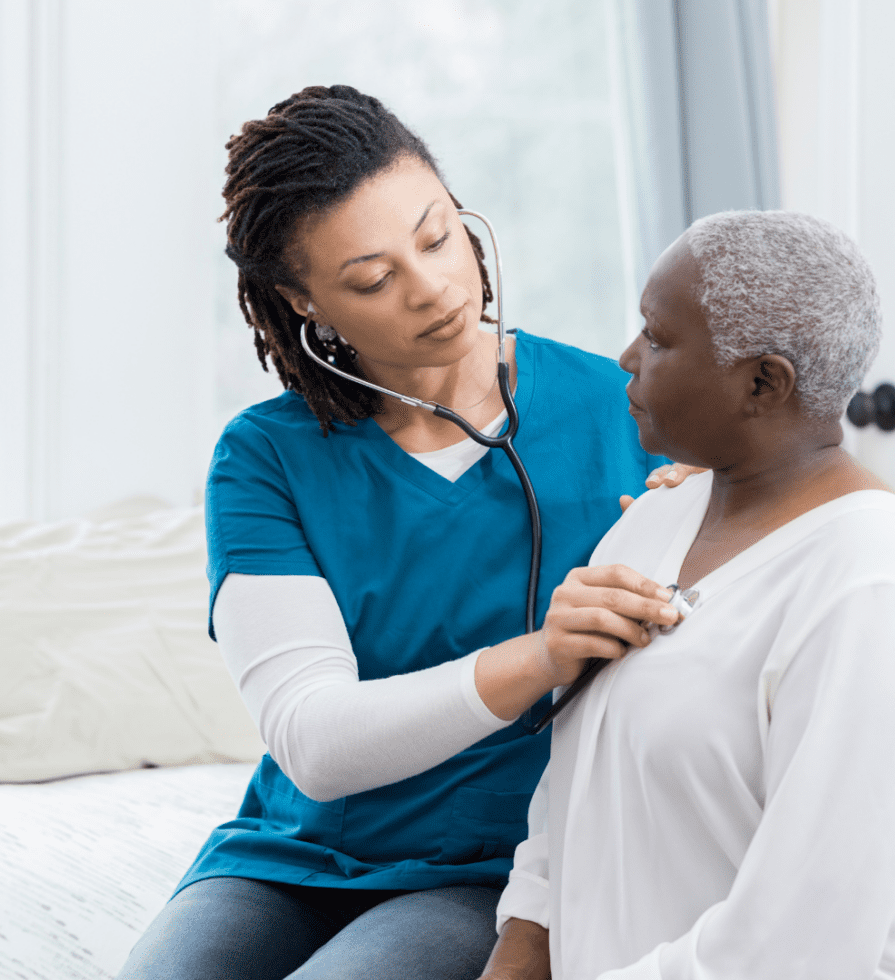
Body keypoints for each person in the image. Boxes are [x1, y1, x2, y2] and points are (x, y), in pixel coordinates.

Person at [117, 84, 696, 980]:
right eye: (373, 279)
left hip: (498, 870)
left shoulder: (629, 412)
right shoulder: (266, 458)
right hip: (291, 861)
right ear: (304, 302)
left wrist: (715, 520)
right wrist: (542, 654)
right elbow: (315, 743)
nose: (435, 289)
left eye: (437, 236)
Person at [480, 209, 895, 980]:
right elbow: (570, 793)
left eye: (659, 338)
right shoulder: (652, 521)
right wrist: (519, 950)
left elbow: (802, 945)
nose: (627, 358)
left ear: (763, 382)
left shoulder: (864, 583)